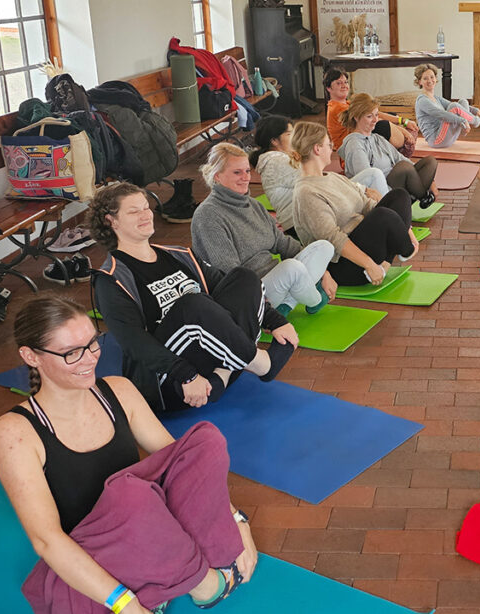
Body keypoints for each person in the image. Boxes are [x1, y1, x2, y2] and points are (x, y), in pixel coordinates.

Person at [0, 294, 260, 614]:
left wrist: (237, 520)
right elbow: (46, 539)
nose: (89, 359)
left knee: (205, 440)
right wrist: (122, 602)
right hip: (98, 550)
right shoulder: (15, 431)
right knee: (130, 495)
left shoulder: (118, 390)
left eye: (92, 344)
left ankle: (168, 577)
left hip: (151, 521)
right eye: (71, 353)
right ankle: (203, 584)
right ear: (31, 356)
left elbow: (182, 462)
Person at [91, 183, 296, 412]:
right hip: (175, 382)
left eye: (146, 208)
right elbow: (135, 343)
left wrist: (277, 321)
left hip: (212, 364)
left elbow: (230, 288)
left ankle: (224, 373)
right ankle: (262, 364)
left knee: (243, 277)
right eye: (133, 211)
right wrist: (186, 375)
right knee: (193, 304)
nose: (145, 215)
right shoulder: (111, 279)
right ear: (111, 221)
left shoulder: (179, 255)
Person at [191, 142, 337, 316]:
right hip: (250, 295)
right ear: (217, 176)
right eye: (237, 172)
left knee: (324, 247)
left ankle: (285, 305)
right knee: (292, 268)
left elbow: (282, 243)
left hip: (277, 281)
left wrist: (324, 273)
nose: (245, 177)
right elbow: (231, 274)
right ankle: (316, 300)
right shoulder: (207, 216)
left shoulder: (254, 205)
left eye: (247, 171)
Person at [291, 121, 418, 286]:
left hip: (364, 241)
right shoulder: (307, 192)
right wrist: (369, 265)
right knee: (383, 216)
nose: (332, 148)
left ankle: (388, 260)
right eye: (329, 144)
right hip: (345, 265)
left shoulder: (332, 177)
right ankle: (400, 252)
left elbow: (366, 204)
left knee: (399, 196)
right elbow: (333, 238)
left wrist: (407, 230)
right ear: (317, 149)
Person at [252, 115, 388, 231]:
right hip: (300, 221)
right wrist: (362, 189)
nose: (294, 138)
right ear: (274, 141)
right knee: (373, 176)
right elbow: (319, 180)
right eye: (289, 134)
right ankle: (387, 218)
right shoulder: (276, 162)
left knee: (372, 179)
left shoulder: (279, 159)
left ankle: (386, 217)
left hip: (309, 212)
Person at [337, 93, 439, 207]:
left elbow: (399, 158)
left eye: (376, 115)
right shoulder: (354, 144)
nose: (375, 120)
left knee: (430, 162)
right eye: (369, 116)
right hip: (382, 192)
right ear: (356, 117)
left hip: (398, 185)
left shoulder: (377, 138)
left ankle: (414, 196)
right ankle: (423, 196)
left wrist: (431, 182)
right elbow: (367, 179)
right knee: (404, 167)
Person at [324, 68, 417, 154]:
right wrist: (405, 131)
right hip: (354, 150)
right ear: (328, 88)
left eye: (345, 82)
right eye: (338, 83)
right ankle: (402, 147)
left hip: (363, 139)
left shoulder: (346, 103)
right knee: (382, 125)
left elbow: (377, 114)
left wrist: (403, 121)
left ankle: (395, 143)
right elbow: (372, 120)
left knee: (387, 115)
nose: (344, 86)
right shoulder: (337, 108)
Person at [413, 63, 480, 148]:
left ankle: (466, 126)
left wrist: (475, 110)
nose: (430, 80)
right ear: (419, 82)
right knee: (454, 107)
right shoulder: (422, 100)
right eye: (425, 78)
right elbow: (442, 114)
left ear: (435, 78)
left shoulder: (436, 98)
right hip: (437, 140)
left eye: (432, 77)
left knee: (463, 101)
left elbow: (455, 106)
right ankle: (475, 122)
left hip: (448, 137)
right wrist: (463, 121)